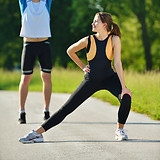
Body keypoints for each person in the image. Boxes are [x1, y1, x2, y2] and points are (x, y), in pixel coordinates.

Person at [19, 12, 132, 142]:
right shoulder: (88, 40)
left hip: (109, 78)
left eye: (96, 21)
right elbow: (70, 50)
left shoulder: (114, 39)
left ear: (104, 25)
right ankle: (37, 133)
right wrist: (83, 66)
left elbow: (117, 63)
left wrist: (123, 87)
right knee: (66, 109)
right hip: (91, 80)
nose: (92, 23)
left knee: (126, 97)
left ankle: (120, 130)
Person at [18, 0, 54, 124]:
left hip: (44, 44)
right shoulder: (24, 1)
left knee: (46, 77)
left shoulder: (46, 0)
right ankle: (22, 112)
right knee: (25, 78)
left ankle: (46, 110)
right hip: (29, 44)